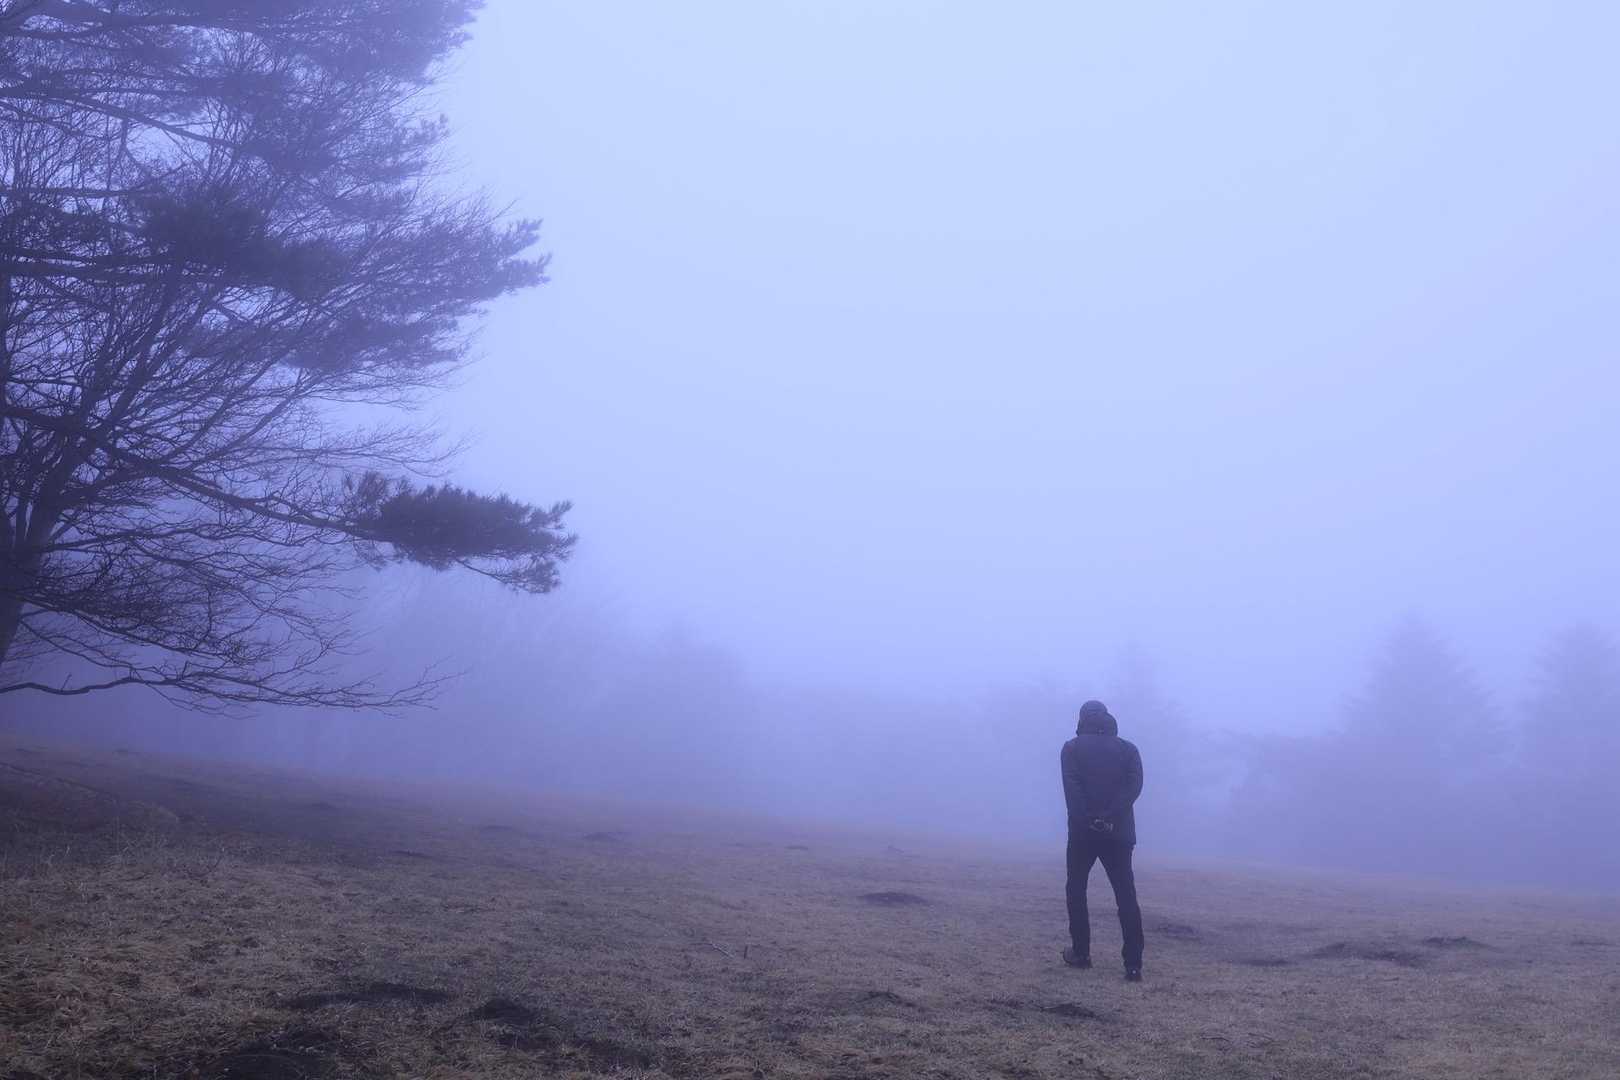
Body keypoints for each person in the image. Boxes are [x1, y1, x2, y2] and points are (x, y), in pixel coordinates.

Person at [1060, 699, 1145, 981]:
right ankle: (1133, 964)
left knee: (1076, 889)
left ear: (1082, 719)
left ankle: (1081, 953)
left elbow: (1072, 790)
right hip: (1119, 832)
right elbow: (1133, 788)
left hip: (1082, 833)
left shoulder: (1071, 749)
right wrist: (1109, 816)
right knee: (1125, 894)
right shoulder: (1129, 750)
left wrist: (1090, 820)